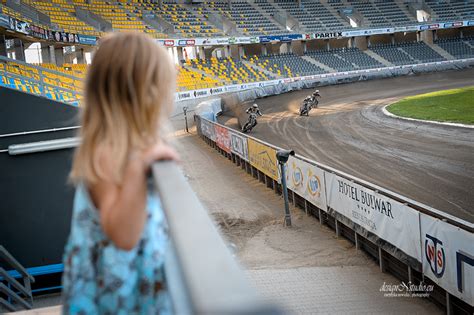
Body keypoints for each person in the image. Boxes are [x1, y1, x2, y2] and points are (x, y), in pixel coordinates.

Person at [62, 32, 179, 314]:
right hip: (110, 303)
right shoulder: (107, 152)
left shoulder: (131, 147)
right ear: (145, 94)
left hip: (133, 293)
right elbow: (123, 236)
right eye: (164, 86)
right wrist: (138, 168)